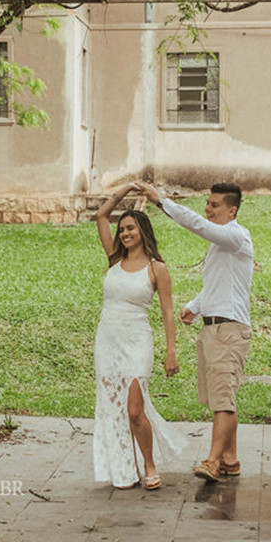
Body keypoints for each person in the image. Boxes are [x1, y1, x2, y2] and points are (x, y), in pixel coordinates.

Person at [137, 181, 254, 483]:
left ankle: (213, 462)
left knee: (223, 400)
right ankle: (230, 459)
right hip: (215, 328)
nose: (208, 209)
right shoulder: (222, 245)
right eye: (208, 203)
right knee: (223, 397)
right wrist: (195, 306)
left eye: (215, 205)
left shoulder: (235, 236)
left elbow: (198, 225)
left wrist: (161, 201)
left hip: (229, 330)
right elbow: (219, 284)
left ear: (232, 210)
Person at [92, 182, 181, 491]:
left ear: (142, 230)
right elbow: (101, 216)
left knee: (134, 410)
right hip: (108, 340)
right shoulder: (115, 259)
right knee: (112, 408)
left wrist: (171, 351)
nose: (124, 233)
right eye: (122, 230)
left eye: (130, 228)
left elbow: (168, 312)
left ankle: (150, 464)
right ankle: (123, 468)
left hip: (137, 341)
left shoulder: (157, 268)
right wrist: (126, 189)